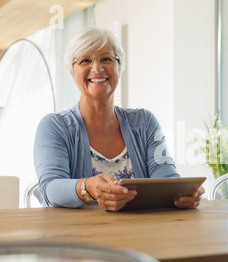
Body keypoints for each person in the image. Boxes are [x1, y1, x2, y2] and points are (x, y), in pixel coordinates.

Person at [34, 26, 204, 212]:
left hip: (139, 234)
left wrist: (182, 193)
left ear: (119, 67)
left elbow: (166, 176)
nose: (97, 68)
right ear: (72, 73)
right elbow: (51, 189)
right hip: (75, 237)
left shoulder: (145, 122)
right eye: (85, 61)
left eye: (106, 59)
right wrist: (88, 187)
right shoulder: (55, 126)